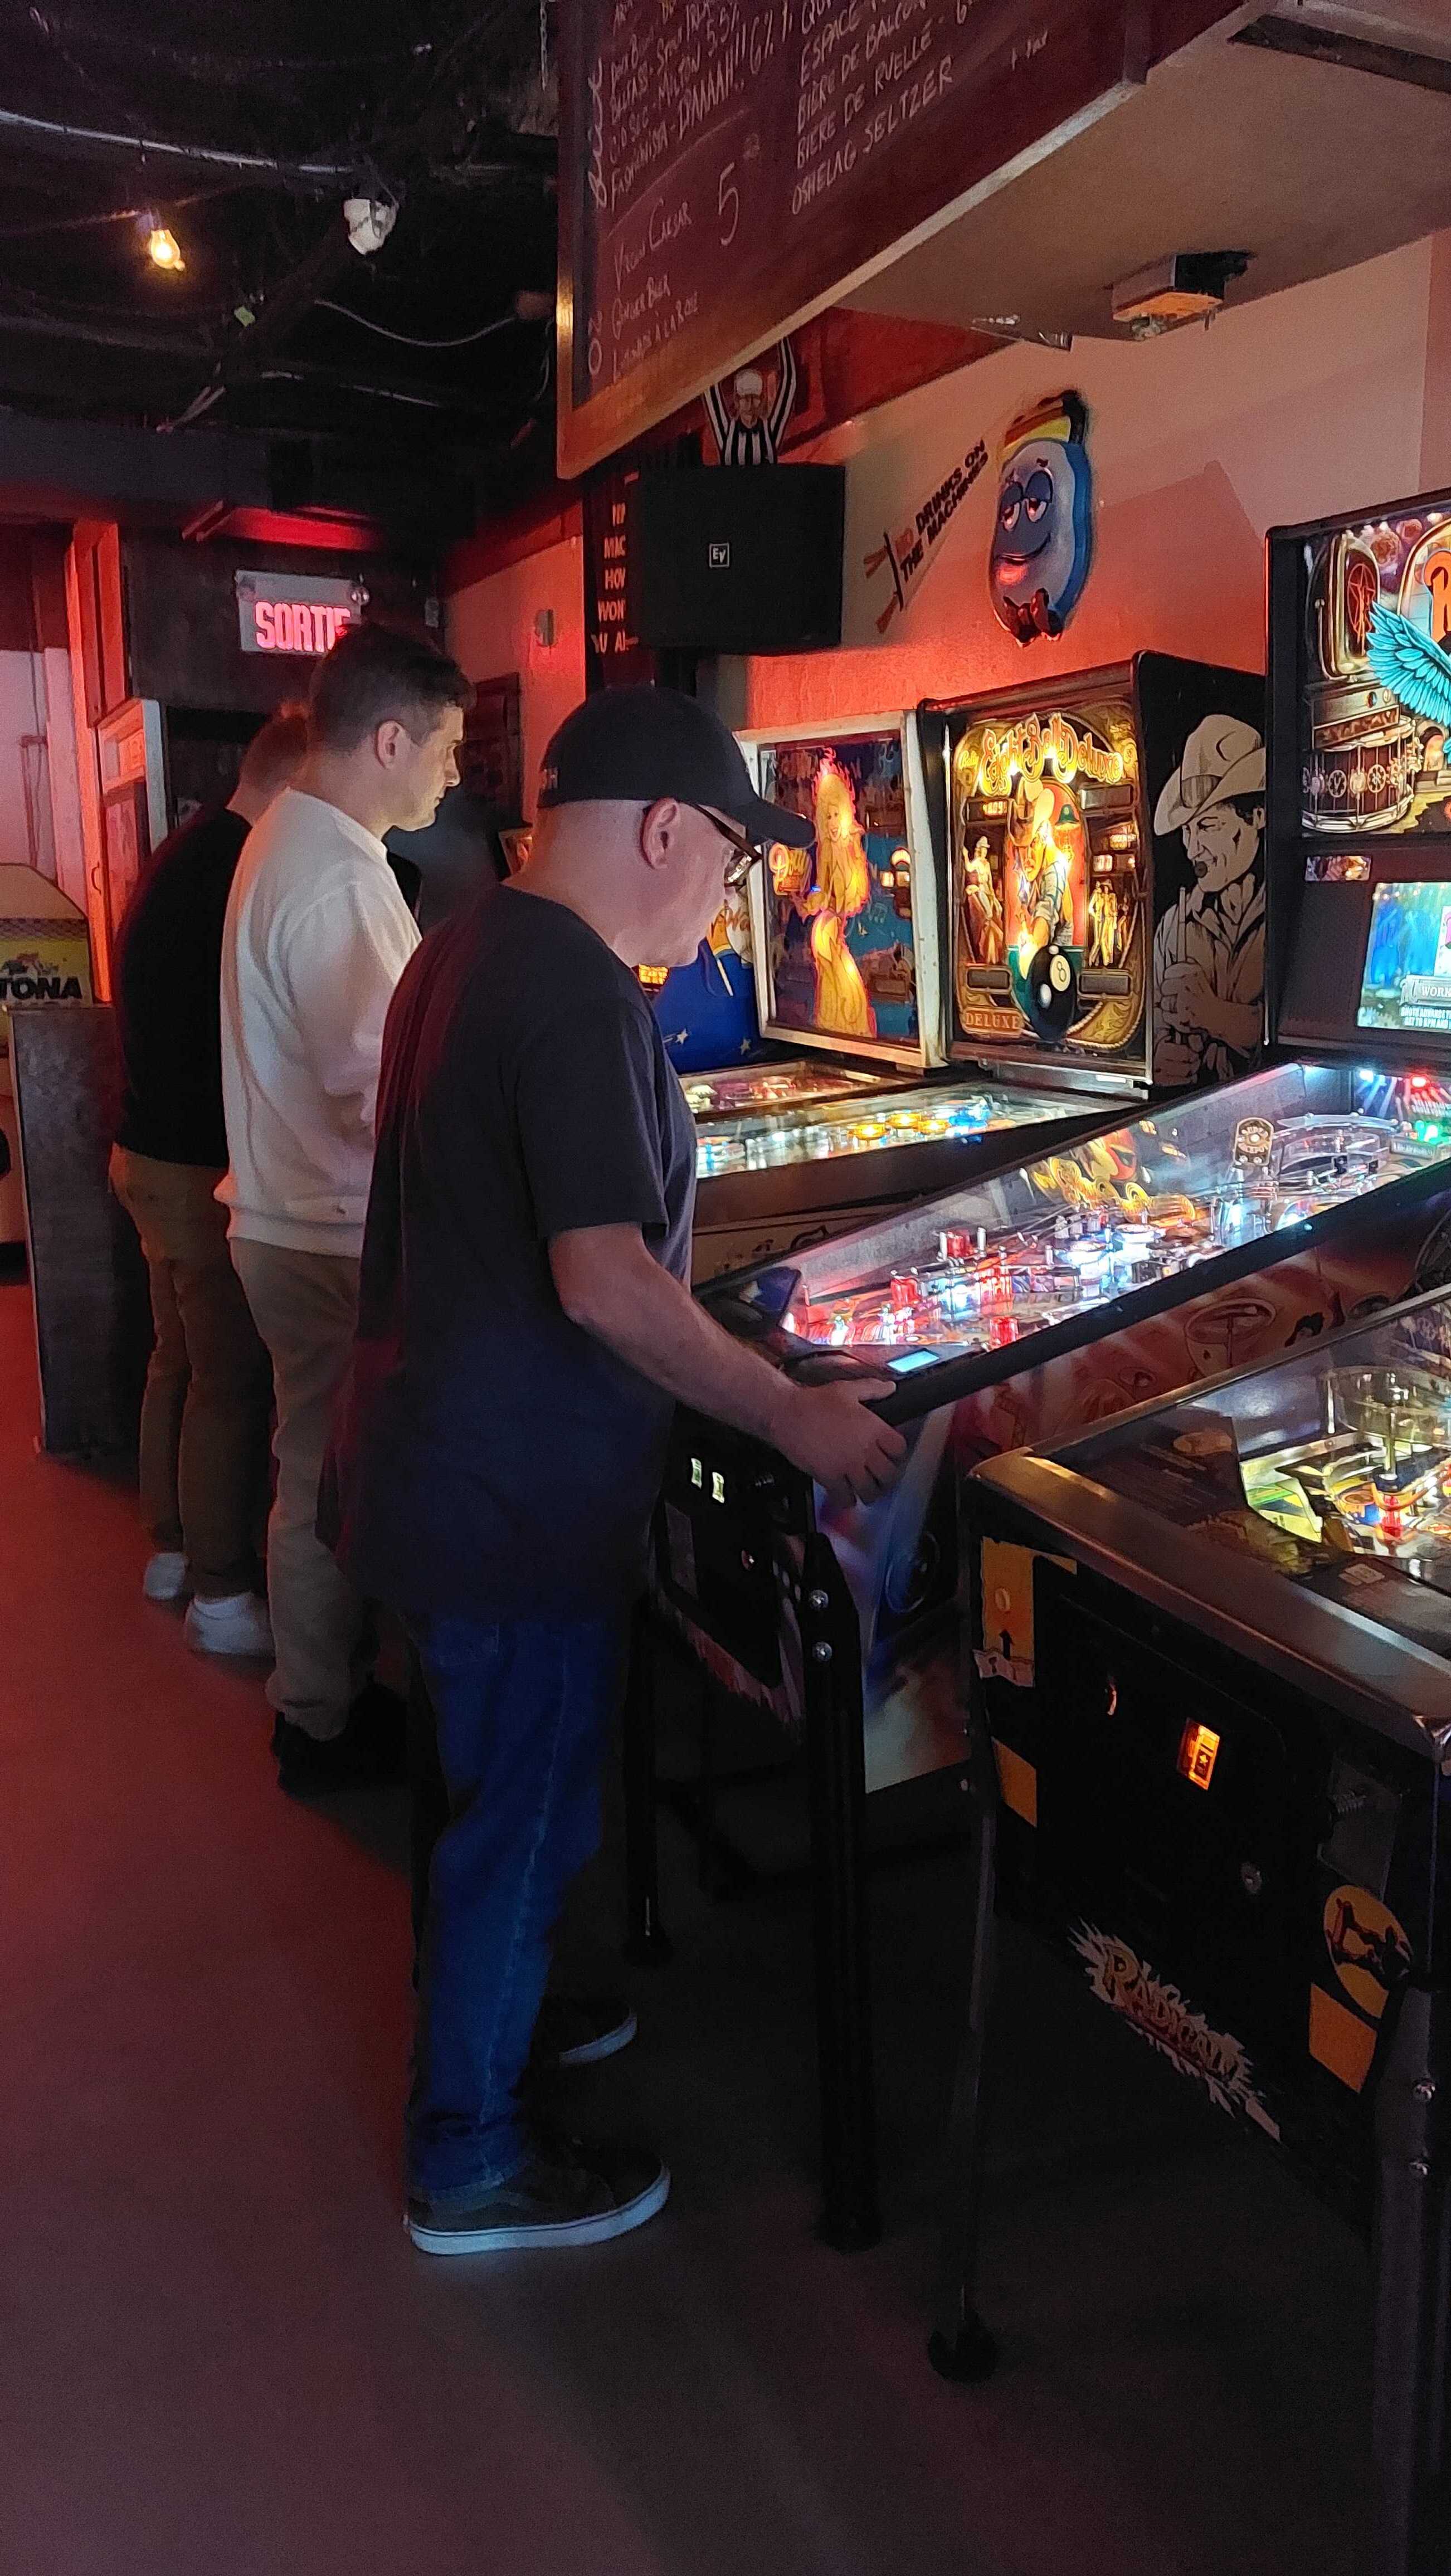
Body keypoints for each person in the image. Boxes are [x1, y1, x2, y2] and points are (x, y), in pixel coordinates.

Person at [323, 685, 907, 2257]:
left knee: (481, 1805)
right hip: (514, 1502)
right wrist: (787, 1413)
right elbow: (602, 1279)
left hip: (435, 1471)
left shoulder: (464, 942)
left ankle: (495, 2040)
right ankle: (472, 2156)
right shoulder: (576, 994)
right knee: (519, 1825)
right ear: (665, 829)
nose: (728, 892)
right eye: (729, 855)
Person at [219, 622, 471, 1792]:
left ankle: (316, 1699)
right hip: (325, 1229)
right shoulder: (331, 871)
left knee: (309, 1464)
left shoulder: (292, 837)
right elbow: (390, 1090)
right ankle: (315, 1719)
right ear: (389, 737)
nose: (455, 773)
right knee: (326, 1477)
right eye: (448, 746)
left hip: (287, 1215)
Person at [110, 707, 308, 1653]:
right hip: (195, 1164)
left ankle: (174, 1548)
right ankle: (224, 1593)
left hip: (145, 1151)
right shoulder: (241, 865)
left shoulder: (182, 849)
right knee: (228, 1378)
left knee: (177, 1360)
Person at [1152, 714, 1267, 1086]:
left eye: (1208, 826)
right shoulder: (1173, 924)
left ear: (1257, 817)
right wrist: (1161, 1060)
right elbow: (1150, 1032)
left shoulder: (1292, 914)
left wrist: (1212, 1014)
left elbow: (1301, 1040)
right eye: (1187, 831)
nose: (1192, 849)